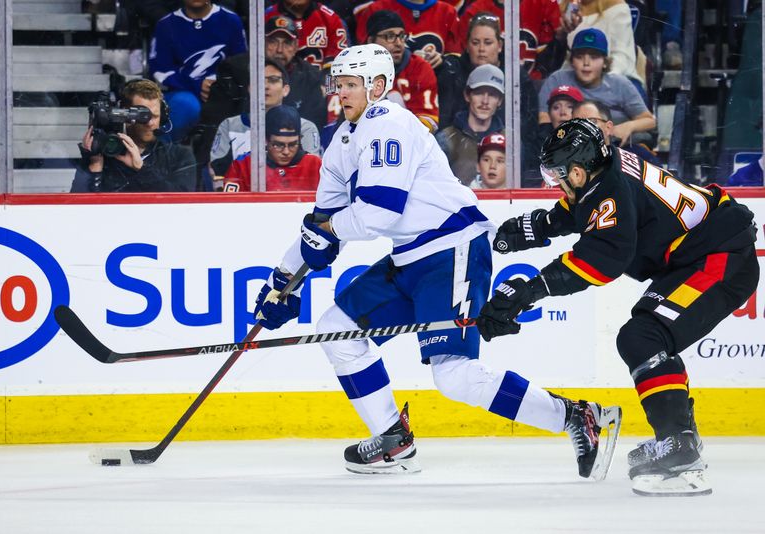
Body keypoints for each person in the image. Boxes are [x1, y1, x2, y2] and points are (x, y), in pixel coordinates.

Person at [252, 44, 621, 477]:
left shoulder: (388, 122)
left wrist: (328, 233)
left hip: (453, 249)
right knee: (336, 330)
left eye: (352, 84)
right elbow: (320, 223)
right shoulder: (342, 142)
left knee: (456, 376)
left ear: (378, 85)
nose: (342, 92)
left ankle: (578, 417)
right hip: (410, 257)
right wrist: (280, 281)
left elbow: (378, 212)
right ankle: (392, 438)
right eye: (340, 84)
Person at [476, 118, 759, 496]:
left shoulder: (609, 194)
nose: (558, 185)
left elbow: (601, 260)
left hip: (720, 260)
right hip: (702, 255)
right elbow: (584, 210)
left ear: (577, 170)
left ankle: (679, 445)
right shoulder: (604, 170)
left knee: (644, 337)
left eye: (560, 176)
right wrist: (538, 227)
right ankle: (680, 438)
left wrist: (529, 293)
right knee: (643, 337)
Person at [437, 13, 540, 176]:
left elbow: (530, 131)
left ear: (499, 45)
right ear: (467, 45)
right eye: (475, 42)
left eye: (488, 42)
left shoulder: (516, 77)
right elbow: (444, 121)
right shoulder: (452, 73)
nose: (482, 49)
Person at [209, 60, 321, 188]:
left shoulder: (305, 128)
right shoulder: (229, 125)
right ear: (250, 88)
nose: (266, 86)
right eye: (260, 80)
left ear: (286, 89)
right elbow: (217, 173)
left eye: (273, 80)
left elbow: (311, 173)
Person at [72, 79, 196, 192]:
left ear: (163, 117)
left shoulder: (179, 156)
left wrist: (141, 168)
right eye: (143, 116)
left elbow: (182, 204)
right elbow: (75, 208)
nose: (150, 123)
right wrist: (94, 166)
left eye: (156, 116)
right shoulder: (104, 153)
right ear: (124, 113)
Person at [538, 28, 655, 147]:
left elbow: (649, 121)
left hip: (614, 145)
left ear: (605, 62)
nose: (586, 63)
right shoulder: (558, 79)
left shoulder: (620, 84)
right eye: (579, 57)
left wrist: (628, 126)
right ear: (572, 61)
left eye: (594, 57)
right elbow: (543, 117)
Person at [149, 0, 247, 141]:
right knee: (185, 105)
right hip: (182, 94)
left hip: (223, 93)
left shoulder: (231, 20)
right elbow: (161, 71)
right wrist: (197, 85)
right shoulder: (166, 24)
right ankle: (163, 154)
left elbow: (241, 64)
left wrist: (217, 84)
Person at [366, 10, 440, 132]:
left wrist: (398, 134)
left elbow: (429, 120)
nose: (399, 43)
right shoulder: (354, 70)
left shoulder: (419, 67)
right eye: (389, 36)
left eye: (401, 36)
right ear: (371, 41)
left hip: (411, 143)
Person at [222, 105, 322, 192]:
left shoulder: (316, 165)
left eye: (292, 144)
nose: (286, 152)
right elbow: (229, 208)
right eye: (278, 145)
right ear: (266, 140)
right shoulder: (243, 166)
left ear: (299, 139)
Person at [455, 0, 563, 79]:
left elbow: (552, 62)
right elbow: (464, 61)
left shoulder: (543, 5)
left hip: (533, 86)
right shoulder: (475, 11)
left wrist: (562, 37)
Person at [436, 63, 505, 186]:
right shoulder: (446, 139)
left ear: (500, 100)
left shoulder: (510, 141)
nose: (485, 101)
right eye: (479, 93)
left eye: (492, 95)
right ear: (467, 95)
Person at [265, 14, 328, 133]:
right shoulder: (244, 71)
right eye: (273, 42)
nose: (279, 49)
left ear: (295, 46)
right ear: (263, 43)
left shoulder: (311, 77)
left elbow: (313, 126)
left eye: (286, 43)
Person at [354, 0, 459, 70]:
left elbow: (456, 61)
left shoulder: (448, 12)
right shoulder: (376, 9)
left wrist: (442, 61)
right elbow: (362, 60)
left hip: (433, 91)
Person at [573, 98, 663, 166]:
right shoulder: (565, 162)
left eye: (592, 121)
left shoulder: (637, 157)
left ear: (608, 127)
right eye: (576, 123)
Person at [265, 0, 349, 70]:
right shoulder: (263, 17)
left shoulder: (331, 20)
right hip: (274, 86)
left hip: (319, 87)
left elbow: (337, 69)